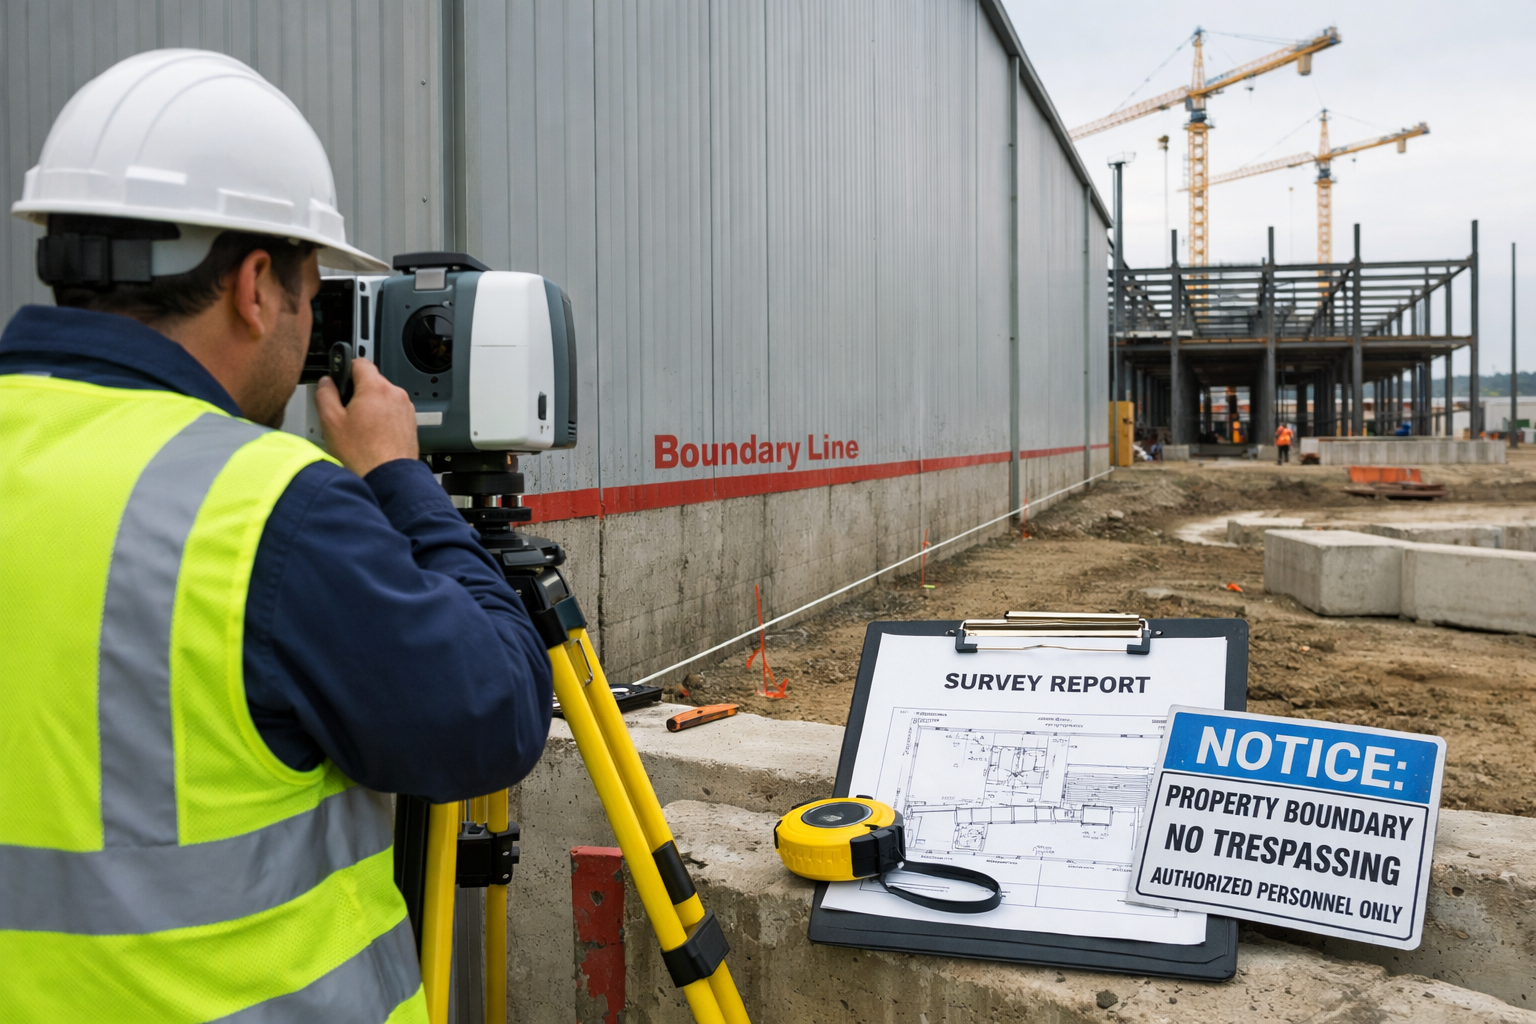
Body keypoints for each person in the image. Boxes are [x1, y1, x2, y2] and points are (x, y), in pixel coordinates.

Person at [0, 51, 553, 1022]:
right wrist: (400, 481)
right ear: (256, 286)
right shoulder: (264, 509)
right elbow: (494, 712)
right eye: (313, 291)